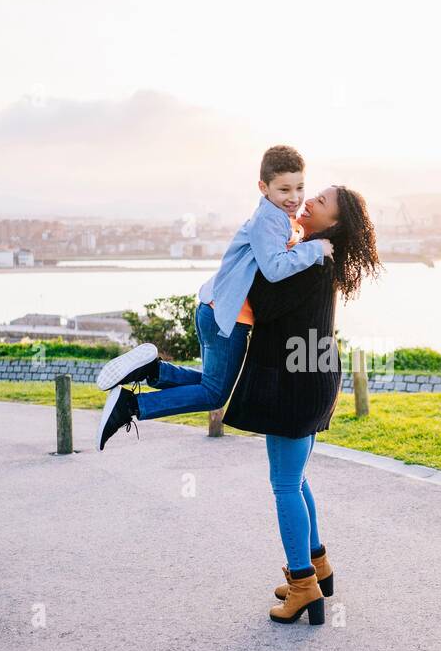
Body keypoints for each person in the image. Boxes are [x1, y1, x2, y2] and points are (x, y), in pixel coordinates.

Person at [95, 145, 332, 450]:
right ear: (264, 187)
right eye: (284, 189)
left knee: (210, 384)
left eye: (300, 187)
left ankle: (151, 370)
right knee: (214, 394)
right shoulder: (269, 219)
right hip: (227, 319)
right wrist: (316, 249)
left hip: (217, 310)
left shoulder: (277, 218)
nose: (294, 197)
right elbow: (274, 268)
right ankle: (131, 406)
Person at [221, 185, 382, 625]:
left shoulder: (309, 261)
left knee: (285, 484)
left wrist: (255, 252)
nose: (308, 201)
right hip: (311, 375)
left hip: (295, 380)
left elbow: (265, 303)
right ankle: (317, 567)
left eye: (321, 202)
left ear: (335, 223)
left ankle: (302, 587)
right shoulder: (314, 254)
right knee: (295, 476)